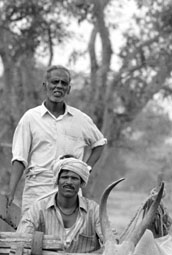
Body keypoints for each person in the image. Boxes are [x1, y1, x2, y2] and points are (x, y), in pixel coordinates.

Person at [7, 65, 107, 215]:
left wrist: (85, 169)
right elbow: (19, 158)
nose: (58, 86)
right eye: (54, 82)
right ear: (45, 85)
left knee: (69, 234)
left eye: (63, 83)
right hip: (38, 186)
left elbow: (99, 143)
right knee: (32, 234)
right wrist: (11, 192)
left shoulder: (80, 119)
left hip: (69, 190)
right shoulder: (30, 118)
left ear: (68, 89)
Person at [16, 156, 102, 255]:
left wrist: (100, 254)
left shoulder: (94, 210)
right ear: (57, 180)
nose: (69, 182)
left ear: (82, 182)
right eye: (64, 177)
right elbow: (21, 240)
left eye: (74, 178)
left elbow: (111, 242)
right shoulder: (39, 208)